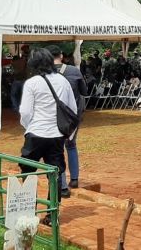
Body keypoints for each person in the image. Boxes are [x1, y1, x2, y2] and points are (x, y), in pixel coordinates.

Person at [19, 48, 76, 226]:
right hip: (56, 136)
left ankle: (28, 212)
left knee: (28, 172)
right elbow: (71, 108)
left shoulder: (32, 83)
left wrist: (29, 128)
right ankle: (52, 215)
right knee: (55, 174)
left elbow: (25, 112)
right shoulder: (62, 81)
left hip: (35, 134)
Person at [46, 45, 87, 198]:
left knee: (56, 151)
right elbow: (84, 92)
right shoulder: (74, 71)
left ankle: (62, 187)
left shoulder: (43, 74)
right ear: (61, 56)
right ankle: (74, 179)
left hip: (53, 117)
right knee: (71, 146)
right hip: (72, 116)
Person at [10, 45, 29, 113]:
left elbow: (12, 71)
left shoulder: (13, 63)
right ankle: (23, 107)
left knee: (13, 95)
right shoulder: (24, 61)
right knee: (23, 95)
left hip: (17, 80)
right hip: (24, 80)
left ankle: (16, 108)